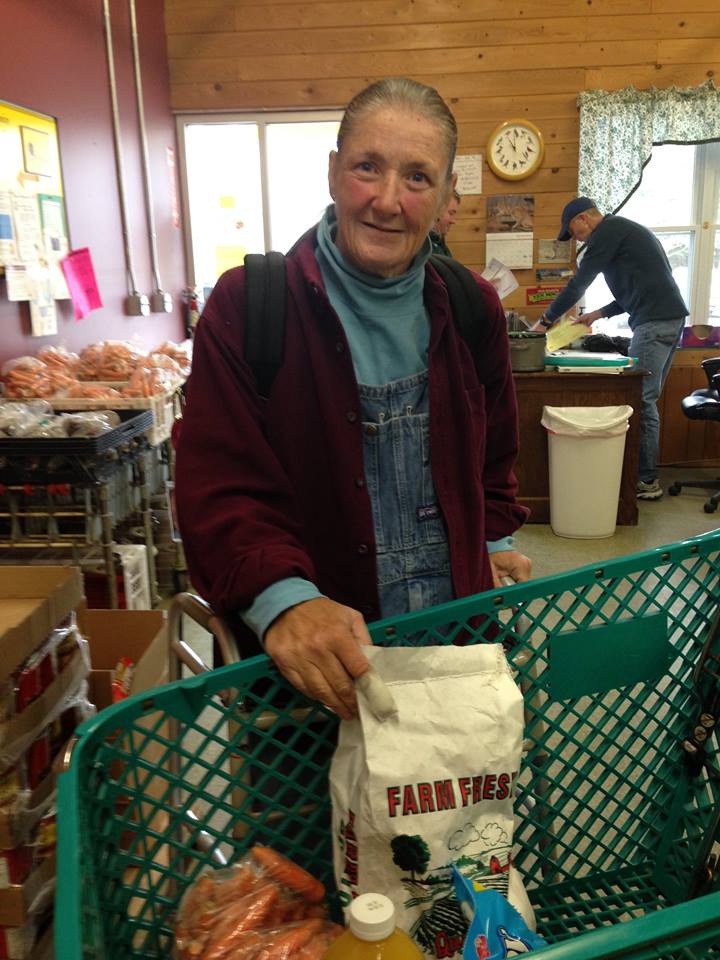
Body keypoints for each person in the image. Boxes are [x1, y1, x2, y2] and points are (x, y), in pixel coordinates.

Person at [175, 78, 530, 720]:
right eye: (369, 167)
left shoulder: (473, 309)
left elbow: (494, 459)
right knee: (313, 826)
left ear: (449, 196)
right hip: (311, 682)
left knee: (463, 824)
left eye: (418, 177)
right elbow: (218, 489)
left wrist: (493, 543)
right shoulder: (251, 307)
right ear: (335, 173)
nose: (388, 201)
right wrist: (282, 600)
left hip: (455, 654)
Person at [532, 197, 688, 500]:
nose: (576, 238)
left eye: (573, 232)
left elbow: (579, 284)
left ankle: (646, 480)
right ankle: (645, 476)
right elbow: (637, 289)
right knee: (646, 398)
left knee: (640, 399)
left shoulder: (606, 232)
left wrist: (544, 321)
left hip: (653, 323)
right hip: (668, 319)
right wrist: (596, 315)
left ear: (582, 220)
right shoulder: (626, 232)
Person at [429, 188, 460, 256]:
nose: (453, 221)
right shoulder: (424, 250)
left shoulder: (438, 242)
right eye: (451, 213)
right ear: (435, 210)